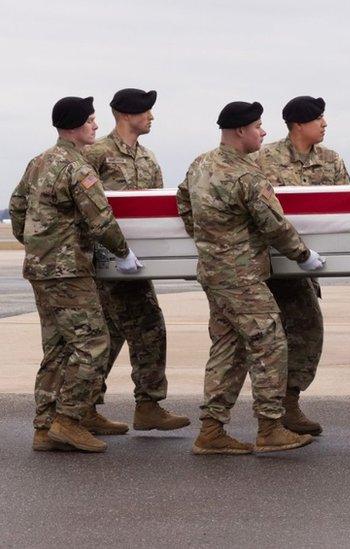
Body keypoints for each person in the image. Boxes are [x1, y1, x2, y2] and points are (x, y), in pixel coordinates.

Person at [176, 101, 324, 455]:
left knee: (228, 348)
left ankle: (211, 430)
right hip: (242, 275)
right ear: (241, 131)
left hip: (213, 270)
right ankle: (271, 427)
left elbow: (182, 200)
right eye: (258, 126)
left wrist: (208, 238)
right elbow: (275, 226)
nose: (264, 132)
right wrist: (304, 256)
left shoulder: (201, 164)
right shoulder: (247, 175)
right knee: (270, 342)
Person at [8, 96, 142, 452]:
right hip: (69, 272)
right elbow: (100, 219)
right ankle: (68, 421)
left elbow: (17, 207)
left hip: (40, 269)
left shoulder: (39, 162)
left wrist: (38, 243)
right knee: (94, 343)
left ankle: (44, 426)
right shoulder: (78, 167)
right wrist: (124, 252)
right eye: (92, 121)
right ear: (77, 125)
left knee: (58, 347)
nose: (96, 127)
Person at [83, 88, 190, 433]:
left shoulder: (147, 158)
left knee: (121, 332)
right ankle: (134, 405)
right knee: (139, 328)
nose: (151, 116)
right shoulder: (96, 155)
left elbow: (157, 212)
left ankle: (101, 406)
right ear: (126, 114)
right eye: (146, 110)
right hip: (105, 262)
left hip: (138, 264)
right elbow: (83, 205)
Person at [255, 95, 350, 436]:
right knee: (266, 337)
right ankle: (269, 409)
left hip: (308, 265)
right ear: (299, 124)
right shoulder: (263, 159)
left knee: (307, 330)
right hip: (268, 264)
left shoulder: (331, 160)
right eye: (318, 119)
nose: (324, 124)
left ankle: (288, 402)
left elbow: (344, 209)